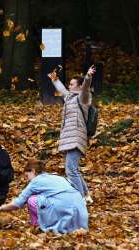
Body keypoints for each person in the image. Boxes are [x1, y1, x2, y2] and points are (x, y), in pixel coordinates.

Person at [0, 160, 88, 233]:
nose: (28, 179)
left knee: (31, 200)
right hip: (81, 213)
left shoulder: (36, 181)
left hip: (65, 209)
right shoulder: (58, 177)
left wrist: (1, 208)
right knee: (42, 197)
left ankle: (38, 226)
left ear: (33, 171)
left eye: (27, 176)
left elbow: (18, 203)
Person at [47, 65, 96, 203]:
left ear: (79, 86)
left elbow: (86, 86)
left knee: (70, 170)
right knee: (73, 169)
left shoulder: (83, 97)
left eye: (72, 84)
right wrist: (54, 78)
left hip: (76, 137)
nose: (69, 86)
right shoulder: (69, 97)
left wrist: (88, 76)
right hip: (69, 137)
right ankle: (86, 195)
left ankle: (79, 199)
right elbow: (61, 88)